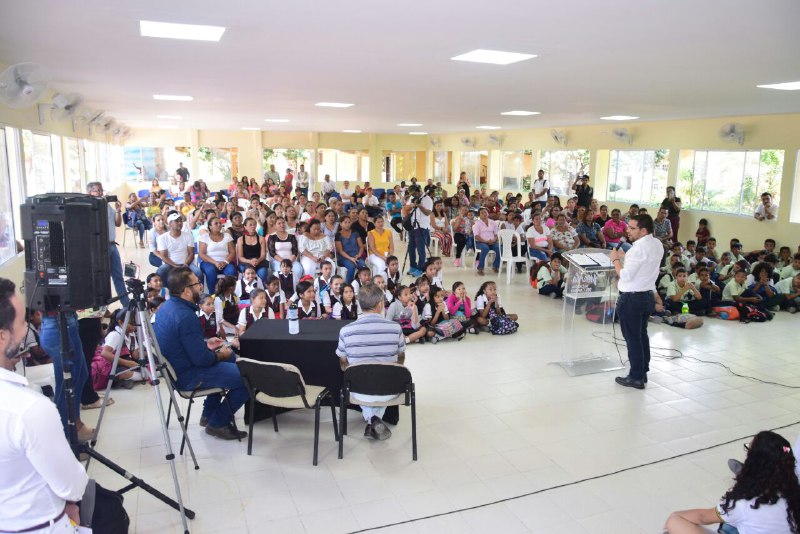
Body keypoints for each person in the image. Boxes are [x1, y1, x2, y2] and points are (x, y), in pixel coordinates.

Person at [0, 278, 90, 533]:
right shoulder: (28, 410)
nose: (27, 329)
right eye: (21, 323)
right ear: (3, 336)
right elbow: (72, 486)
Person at [153, 268, 248, 440]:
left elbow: (183, 342)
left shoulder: (167, 306)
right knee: (248, 376)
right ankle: (218, 423)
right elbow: (202, 360)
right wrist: (221, 355)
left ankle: (208, 413)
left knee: (232, 358)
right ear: (187, 291)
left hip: (180, 367)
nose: (201, 287)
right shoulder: (185, 316)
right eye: (197, 284)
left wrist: (206, 343)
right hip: (189, 376)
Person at [664, 430, 800, 534]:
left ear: (754, 462)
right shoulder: (793, 492)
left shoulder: (743, 503)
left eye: (748, 449)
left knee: (674, 523)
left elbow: (702, 517)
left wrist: (676, 516)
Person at [335, 283, 405, 440]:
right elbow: (400, 359)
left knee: (357, 379)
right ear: (380, 304)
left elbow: (343, 363)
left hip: (358, 390)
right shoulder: (395, 328)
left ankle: (371, 419)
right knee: (385, 376)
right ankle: (374, 419)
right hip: (389, 390)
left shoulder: (345, 331)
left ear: (359, 303)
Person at [610, 214, 663, 389]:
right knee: (641, 335)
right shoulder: (657, 244)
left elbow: (624, 274)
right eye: (628, 227)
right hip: (647, 296)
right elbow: (644, 269)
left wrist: (616, 259)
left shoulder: (636, 250)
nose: (628, 231)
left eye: (632, 228)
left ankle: (635, 377)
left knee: (633, 338)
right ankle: (642, 371)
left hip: (632, 298)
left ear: (643, 230)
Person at [86, 182, 129, 307]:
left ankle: (126, 305)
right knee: (102, 279)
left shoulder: (106, 206)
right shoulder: (89, 208)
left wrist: (118, 210)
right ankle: (102, 307)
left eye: (101, 190)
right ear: (89, 193)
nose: (100, 193)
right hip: (100, 247)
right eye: (96, 191)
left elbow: (117, 223)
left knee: (118, 276)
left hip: (112, 245)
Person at [156, 211, 203, 284]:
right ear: (170, 224)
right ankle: (166, 291)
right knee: (160, 271)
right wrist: (175, 266)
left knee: (198, 273)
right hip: (170, 264)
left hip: (186, 263)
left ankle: (199, 293)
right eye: (177, 221)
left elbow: (191, 253)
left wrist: (185, 264)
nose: (180, 223)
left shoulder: (188, 235)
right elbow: (164, 257)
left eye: (181, 221)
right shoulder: (162, 238)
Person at [198, 216, 237, 292]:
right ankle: (213, 295)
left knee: (231, 271)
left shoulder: (227, 236)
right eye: (216, 223)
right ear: (210, 226)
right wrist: (215, 263)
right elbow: (202, 254)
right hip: (208, 262)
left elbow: (232, 252)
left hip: (225, 262)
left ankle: (229, 294)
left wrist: (225, 262)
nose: (219, 225)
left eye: (220, 223)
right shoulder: (204, 237)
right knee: (211, 271)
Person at [403, 185, 434, 277]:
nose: (414, 195)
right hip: (412, 225)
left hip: (422, 227)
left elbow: (428, 212)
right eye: (412, 194)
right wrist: (411, 205)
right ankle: (413, 266)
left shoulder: (427, 199)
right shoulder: (412, 197)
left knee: (421, 249)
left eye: (415, 193)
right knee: (411, 248)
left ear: (419, 190)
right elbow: (405, 208)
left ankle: (421, 268)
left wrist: (420, 206)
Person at [473, 207, 501, 276]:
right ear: (479, 215)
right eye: (482, 213)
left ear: (488, 213)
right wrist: (485, 241)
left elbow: (496, 234)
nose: (484, 214)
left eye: (485, 212)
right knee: (485, 248)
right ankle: (480, 268)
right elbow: (476, 236)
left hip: (492, 241)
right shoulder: (477, 223)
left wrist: (494, 240)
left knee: (499, 248)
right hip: (481, 242)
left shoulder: (493, 222)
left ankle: (495, 266)